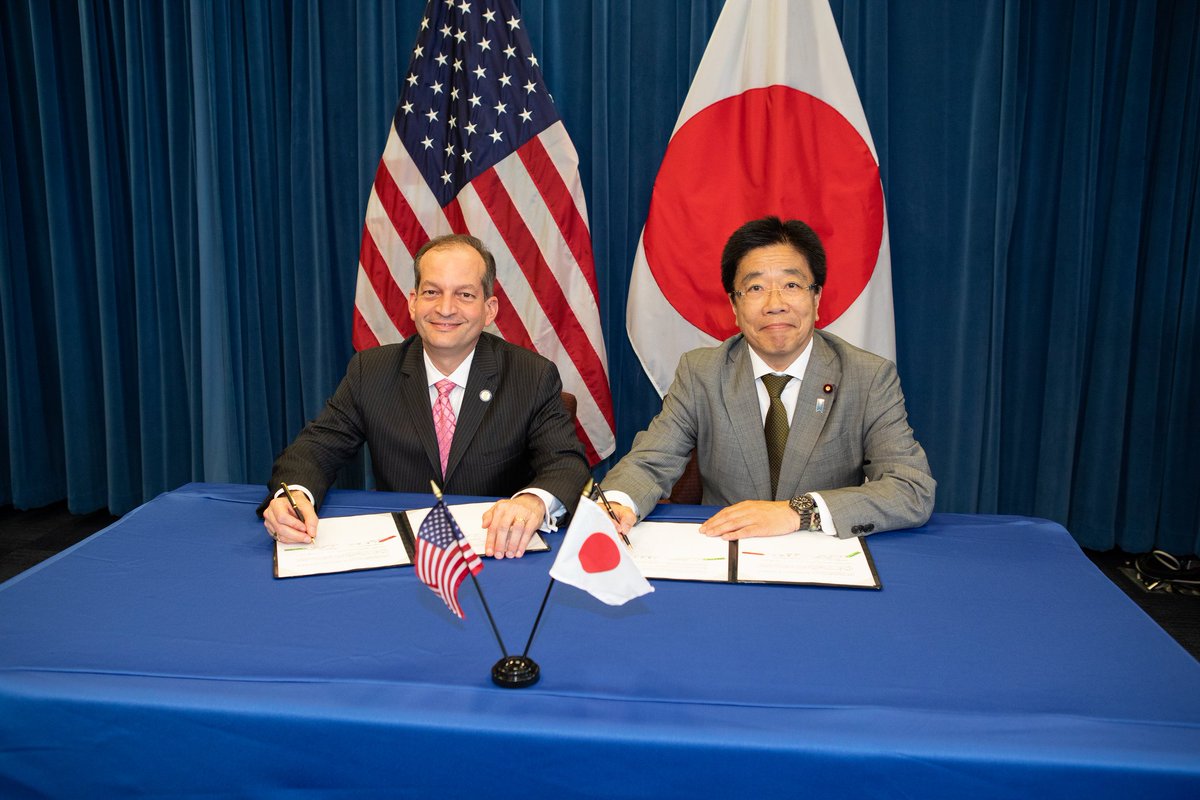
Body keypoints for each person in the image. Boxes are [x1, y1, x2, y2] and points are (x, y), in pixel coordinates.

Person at [260, 233, 590, 558]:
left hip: (497, 554)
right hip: (401, 555)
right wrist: (294, 497)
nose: (445, 309)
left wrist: (532, 502)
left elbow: (566, 464)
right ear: (413, 302)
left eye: (464, 295)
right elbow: (313, 451)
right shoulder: (371, 371)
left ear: (489, 309)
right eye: (432, 292)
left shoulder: (531, 375)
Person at [604, 216, 935, 540]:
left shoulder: (868, 377)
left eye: (791, 285)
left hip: (822, 554)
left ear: (816, 298)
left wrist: (798, 512)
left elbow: (910, 489)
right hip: (724, 548)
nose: (775, 304)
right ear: (734, 305)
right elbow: (651, 460)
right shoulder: (702, 372)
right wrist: (619, 501)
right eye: (756, 288)